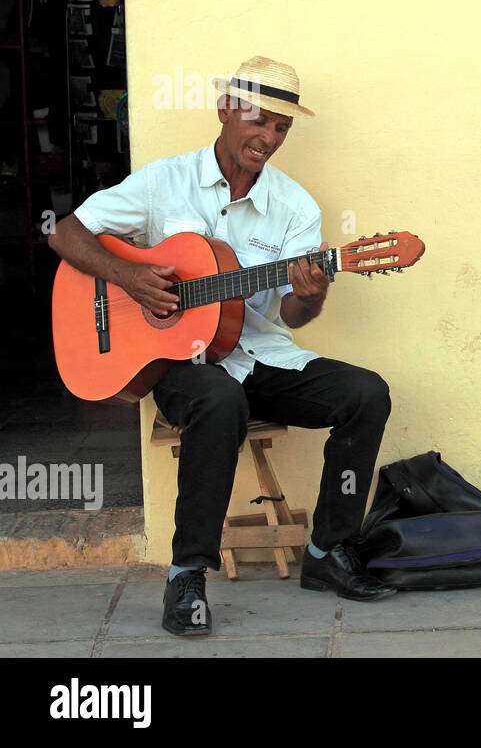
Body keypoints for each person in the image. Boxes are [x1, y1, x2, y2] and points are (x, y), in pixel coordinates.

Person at [48, 56, 397, 639]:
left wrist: (311, 295)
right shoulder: (165, 181)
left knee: (367, 393)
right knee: (218, 400)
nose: (268, 138)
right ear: (225, 111)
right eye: (258, 122)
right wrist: (129, 277)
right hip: (180, 363)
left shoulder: (295, 209)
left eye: (281, 129)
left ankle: (328, 551)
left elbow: (291, 313)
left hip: (260, 354)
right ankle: (186, 576)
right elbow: (65, 232)